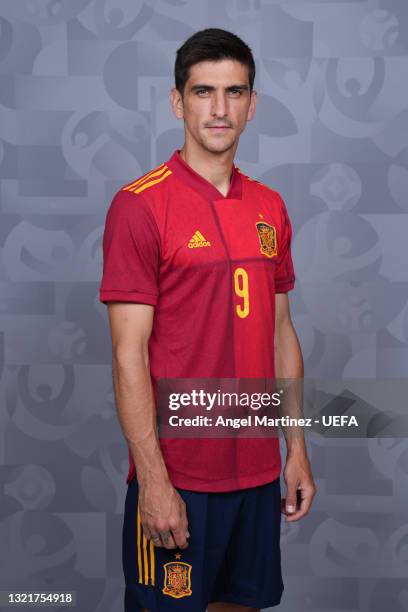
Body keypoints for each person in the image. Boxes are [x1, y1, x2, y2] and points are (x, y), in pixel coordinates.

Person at [99, 27, 316, 612]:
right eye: (202, 92)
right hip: (179, 476)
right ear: (178, 101)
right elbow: (127, 355)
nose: (219, 109)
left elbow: (280, 333)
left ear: (252, 103)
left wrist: (293, 448)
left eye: (234, 92)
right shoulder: (140, 205)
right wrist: (153, 480)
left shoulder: (270, 205)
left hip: (255, 472)